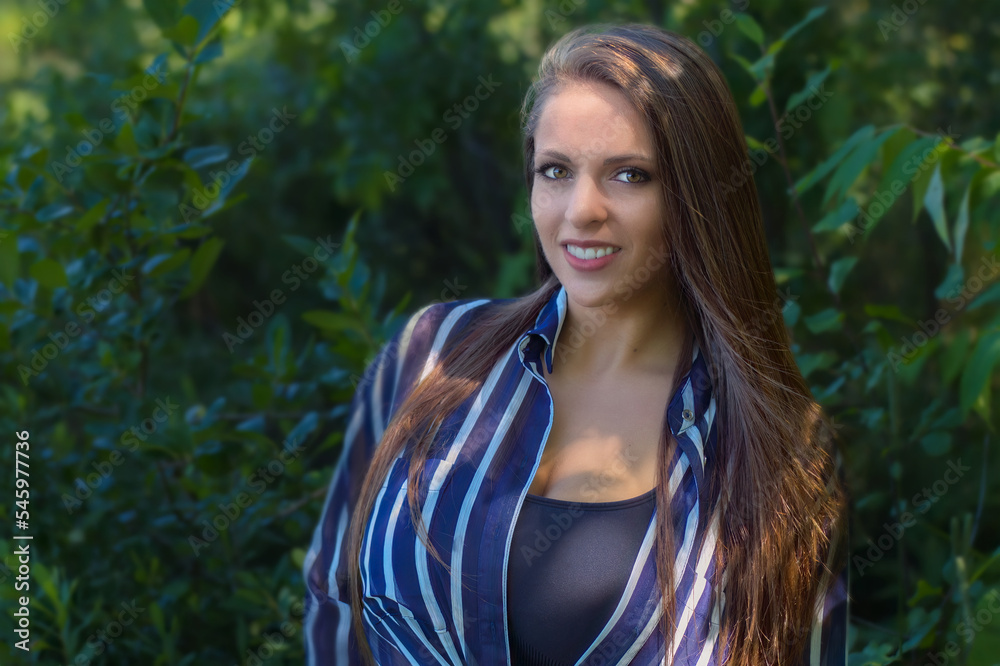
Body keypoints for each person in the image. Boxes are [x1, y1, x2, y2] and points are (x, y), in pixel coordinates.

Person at [303, 22, 848, 666]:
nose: (582, 210)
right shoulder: (432, 354)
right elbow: (334, 606)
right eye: (556, 170)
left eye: (630, 175)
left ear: (698, 197)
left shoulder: (777, 450)